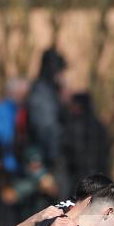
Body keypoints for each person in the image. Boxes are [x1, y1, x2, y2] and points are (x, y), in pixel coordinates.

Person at [27, 48, 68, 190]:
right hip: (48, 158)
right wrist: (55, 154)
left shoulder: (49, 91)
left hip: (51, 154)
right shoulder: (43, 92)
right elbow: (46, 127)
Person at [62, 92, 111, 189]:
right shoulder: (73, 123)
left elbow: (98, 153)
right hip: (78, 174)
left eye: (75, 105)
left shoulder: (91, 126)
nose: (72, 108)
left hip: (89, 175)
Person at [0, 78, 29, 173]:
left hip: (18, 163)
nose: (25, 97)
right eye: (22, 94)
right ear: (14, 93)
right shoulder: (1, 112)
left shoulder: (20, 110)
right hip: (6, 165)